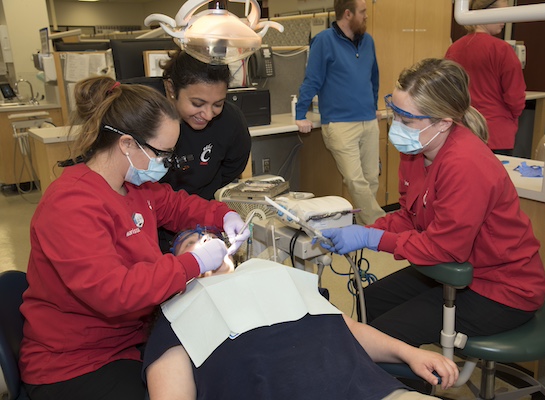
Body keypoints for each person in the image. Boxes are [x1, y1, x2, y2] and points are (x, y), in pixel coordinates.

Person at [19, 76, 250, 400]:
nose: (166, 164)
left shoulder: (136, 186)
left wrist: (223, 215)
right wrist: (192, 263)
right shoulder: (69, 205)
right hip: (75, 362)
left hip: (134, 339)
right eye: (162, 154)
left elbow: (178, 205)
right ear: (127, 144)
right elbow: (114, 292)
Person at [317, 58, 545, 347]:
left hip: (502, 288)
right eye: (394, 113)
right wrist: (365, 229)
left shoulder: (466, 165)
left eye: (407, 119)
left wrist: (372, 238)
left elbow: (444, 248)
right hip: (458, 271)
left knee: (385, 337)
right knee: (370, 301)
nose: (396, 125)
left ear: (443, 122)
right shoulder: (417, 149)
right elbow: (411, 216)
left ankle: (407, 388)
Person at [142, 227, 459, 400]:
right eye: (192, 244)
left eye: (210, 237)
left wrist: (410, 355)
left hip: (367, 390)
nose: (206, 242)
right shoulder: (181, 311)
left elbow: (344, 328)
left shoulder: (275, 273)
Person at [147, 49, 252, 253]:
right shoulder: (146, 118)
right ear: (171, 88)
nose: (207, 114)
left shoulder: (230, 123)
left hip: (202, 215)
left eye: (217, 104)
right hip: (149, 220)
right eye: (197, 103)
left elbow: (232, 168)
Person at [295, 0, 385, 225]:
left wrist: (372, 105)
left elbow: (373, 77)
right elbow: (312, 80)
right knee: (356, 181)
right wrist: (300, 113)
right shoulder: (324, 41)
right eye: (362, 12)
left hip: (368, 120)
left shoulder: (368, 41)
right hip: (340, 124)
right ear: (347, 14)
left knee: (372, 178)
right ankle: (381, 224)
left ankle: (367, 227)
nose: (366, 16)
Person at [444, 0, 526, 156]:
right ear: (484, 12)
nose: (505, 21)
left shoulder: (454, 49)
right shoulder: (502, 50)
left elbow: (448, 93)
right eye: (502, 14)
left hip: (462, 131)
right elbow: (515, 99)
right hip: (495, 135)